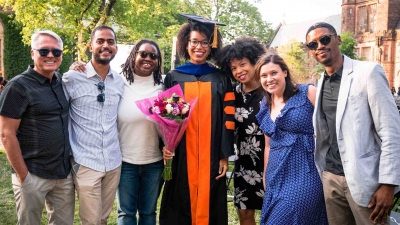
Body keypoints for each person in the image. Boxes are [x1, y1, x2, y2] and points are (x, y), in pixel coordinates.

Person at [307, 22, 400, 225]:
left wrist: (388, 184)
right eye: (313, 45)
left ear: (337, 39)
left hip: (365, 178)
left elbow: (391, 131)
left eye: (324, 39)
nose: (320, 46)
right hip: (331, 177)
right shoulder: (321, 80)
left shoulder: (368, 72)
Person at [160, 14, 235, 225]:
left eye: (204, 42)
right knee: (180, 196)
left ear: (212, 46)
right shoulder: (174, 77)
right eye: (194, 42)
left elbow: (229, 118)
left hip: (212, 153)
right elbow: (168, 118)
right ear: (186, 43)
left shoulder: (221, 78)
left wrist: (224, 155)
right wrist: (167, 145)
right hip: (182, 151)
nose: (199, 47)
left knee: (211, 198)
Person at [0, 30, 74, 224]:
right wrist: (24, 177)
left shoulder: (60, 82)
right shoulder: (18, 87)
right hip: (32, 173)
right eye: (44, 51)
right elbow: (6, 134)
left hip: (62, 173)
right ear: (33, 53)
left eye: (56, 52)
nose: (50, 55)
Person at [254, 54, 328, 225]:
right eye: (264, 76)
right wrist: (265, 174)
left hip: (305, 170)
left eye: (274, 73)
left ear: (285, 72)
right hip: (275, 173)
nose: (269, 79)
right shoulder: (265, 105)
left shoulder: (307, 93)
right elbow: (267, 145)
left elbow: (333, 123)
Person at [62, 25, 124, 225]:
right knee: (91, 220)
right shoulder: (72, 78)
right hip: (86, 161)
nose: (106, 46)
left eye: (111, 42)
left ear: (115, 48)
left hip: (113, 161)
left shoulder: (119, 81)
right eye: (100, 41)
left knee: (103, 218)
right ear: (90, 46)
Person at [215, 36, 265, 225]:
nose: (239, 71)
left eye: (243, 64)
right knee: (245, 214)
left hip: (272, 162)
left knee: (277, 212)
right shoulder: (232, 94)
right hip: (244, 163)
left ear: (255, 62)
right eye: (233, 68)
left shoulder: (270, 89)